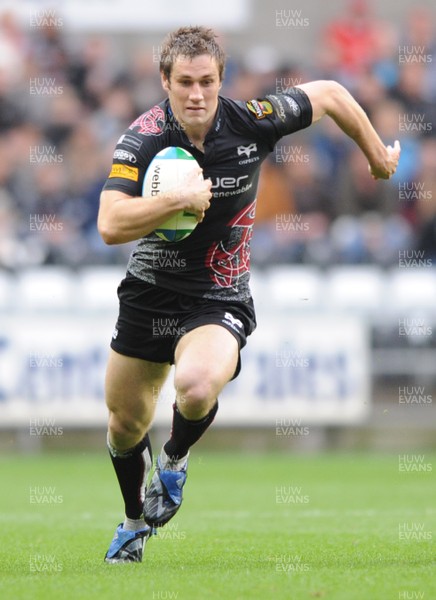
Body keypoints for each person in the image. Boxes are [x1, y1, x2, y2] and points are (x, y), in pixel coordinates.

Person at [98, 26, 400, 563]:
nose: (196, 94)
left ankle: (174, 460)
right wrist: (176, 200)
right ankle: (132, 522)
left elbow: (329, 93)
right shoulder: (142, 138)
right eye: (185, 82)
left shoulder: (250, 120)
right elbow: (109, 223)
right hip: (149, 293)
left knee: (194, 385)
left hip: (219, 293)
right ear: (164, 81)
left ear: (221, 79)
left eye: (207, 81)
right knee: (124, 426)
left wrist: (376, 153)